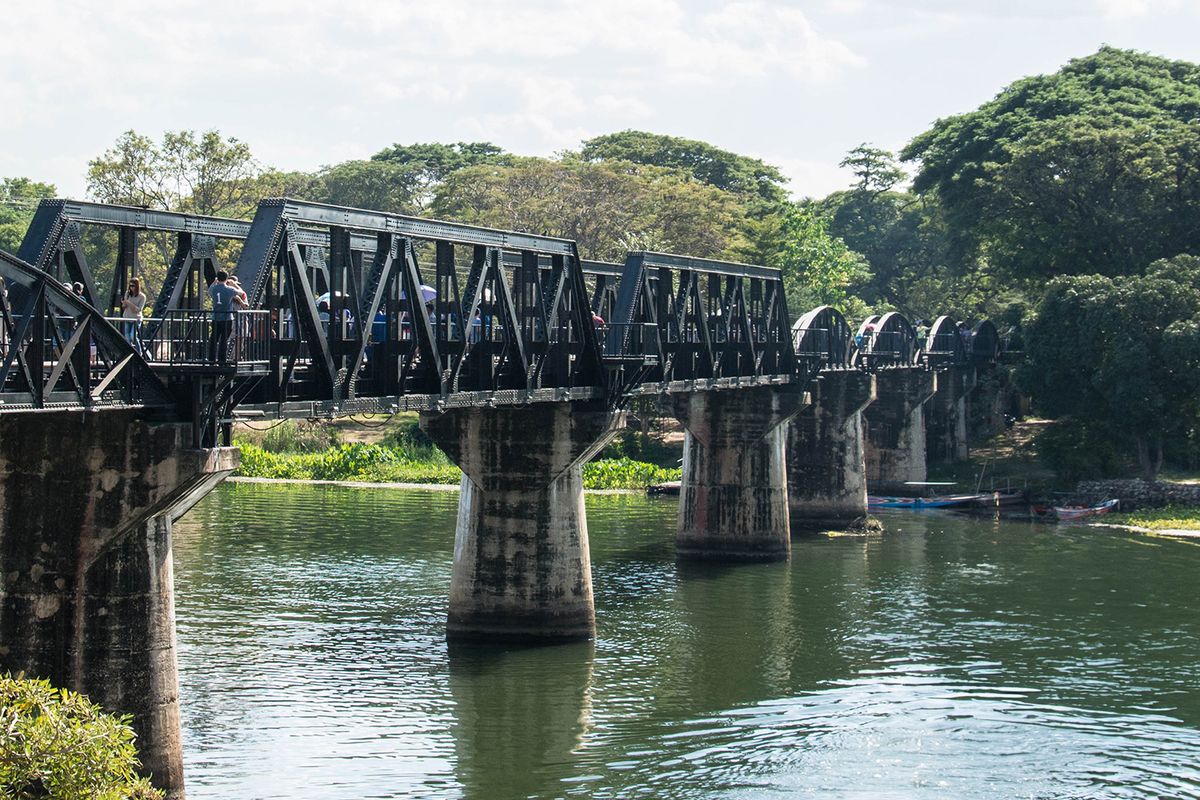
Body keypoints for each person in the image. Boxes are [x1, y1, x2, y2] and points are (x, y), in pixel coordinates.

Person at [207, 271, 240, 363]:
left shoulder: (213, 289)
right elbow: (241, 293)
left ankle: (211, 359)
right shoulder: (230, 290)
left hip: (215, 317)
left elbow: (209, 291)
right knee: (224, 340)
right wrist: (234, 284)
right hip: (227, 317)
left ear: (217, 278)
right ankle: (222, 359)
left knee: (214, 338)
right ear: (226, 278)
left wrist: (214, 282)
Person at [120, 278, 148, 352]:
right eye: (130, 286)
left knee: (133, 336)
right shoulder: (127, 293)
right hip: (127, 317)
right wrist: (124, 303)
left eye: (133, 286)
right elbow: (124, 307)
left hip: (136, 319)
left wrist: (128, 302)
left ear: (137, 286)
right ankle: (129, 353)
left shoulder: (142, 296)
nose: (131, 288)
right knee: (127, 337)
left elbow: (138, 310)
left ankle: (139, 353)